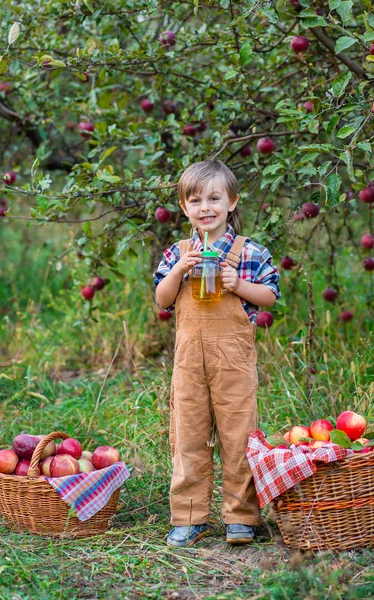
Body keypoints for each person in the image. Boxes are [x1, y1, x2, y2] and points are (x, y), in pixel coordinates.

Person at [153, 159, 281, 547]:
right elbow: (162, 299)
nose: (205, 207)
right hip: (189, 363)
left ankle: (241, 517)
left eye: (214, 198)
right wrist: (178, 272)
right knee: (187, 436)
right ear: (184, 207)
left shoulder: (248, 252)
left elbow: (270, 297)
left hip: (233, 364)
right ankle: (189, 518)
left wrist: (239, 283)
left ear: (232, 202)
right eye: (196, 200)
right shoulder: (179, 252)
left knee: (239, 437)